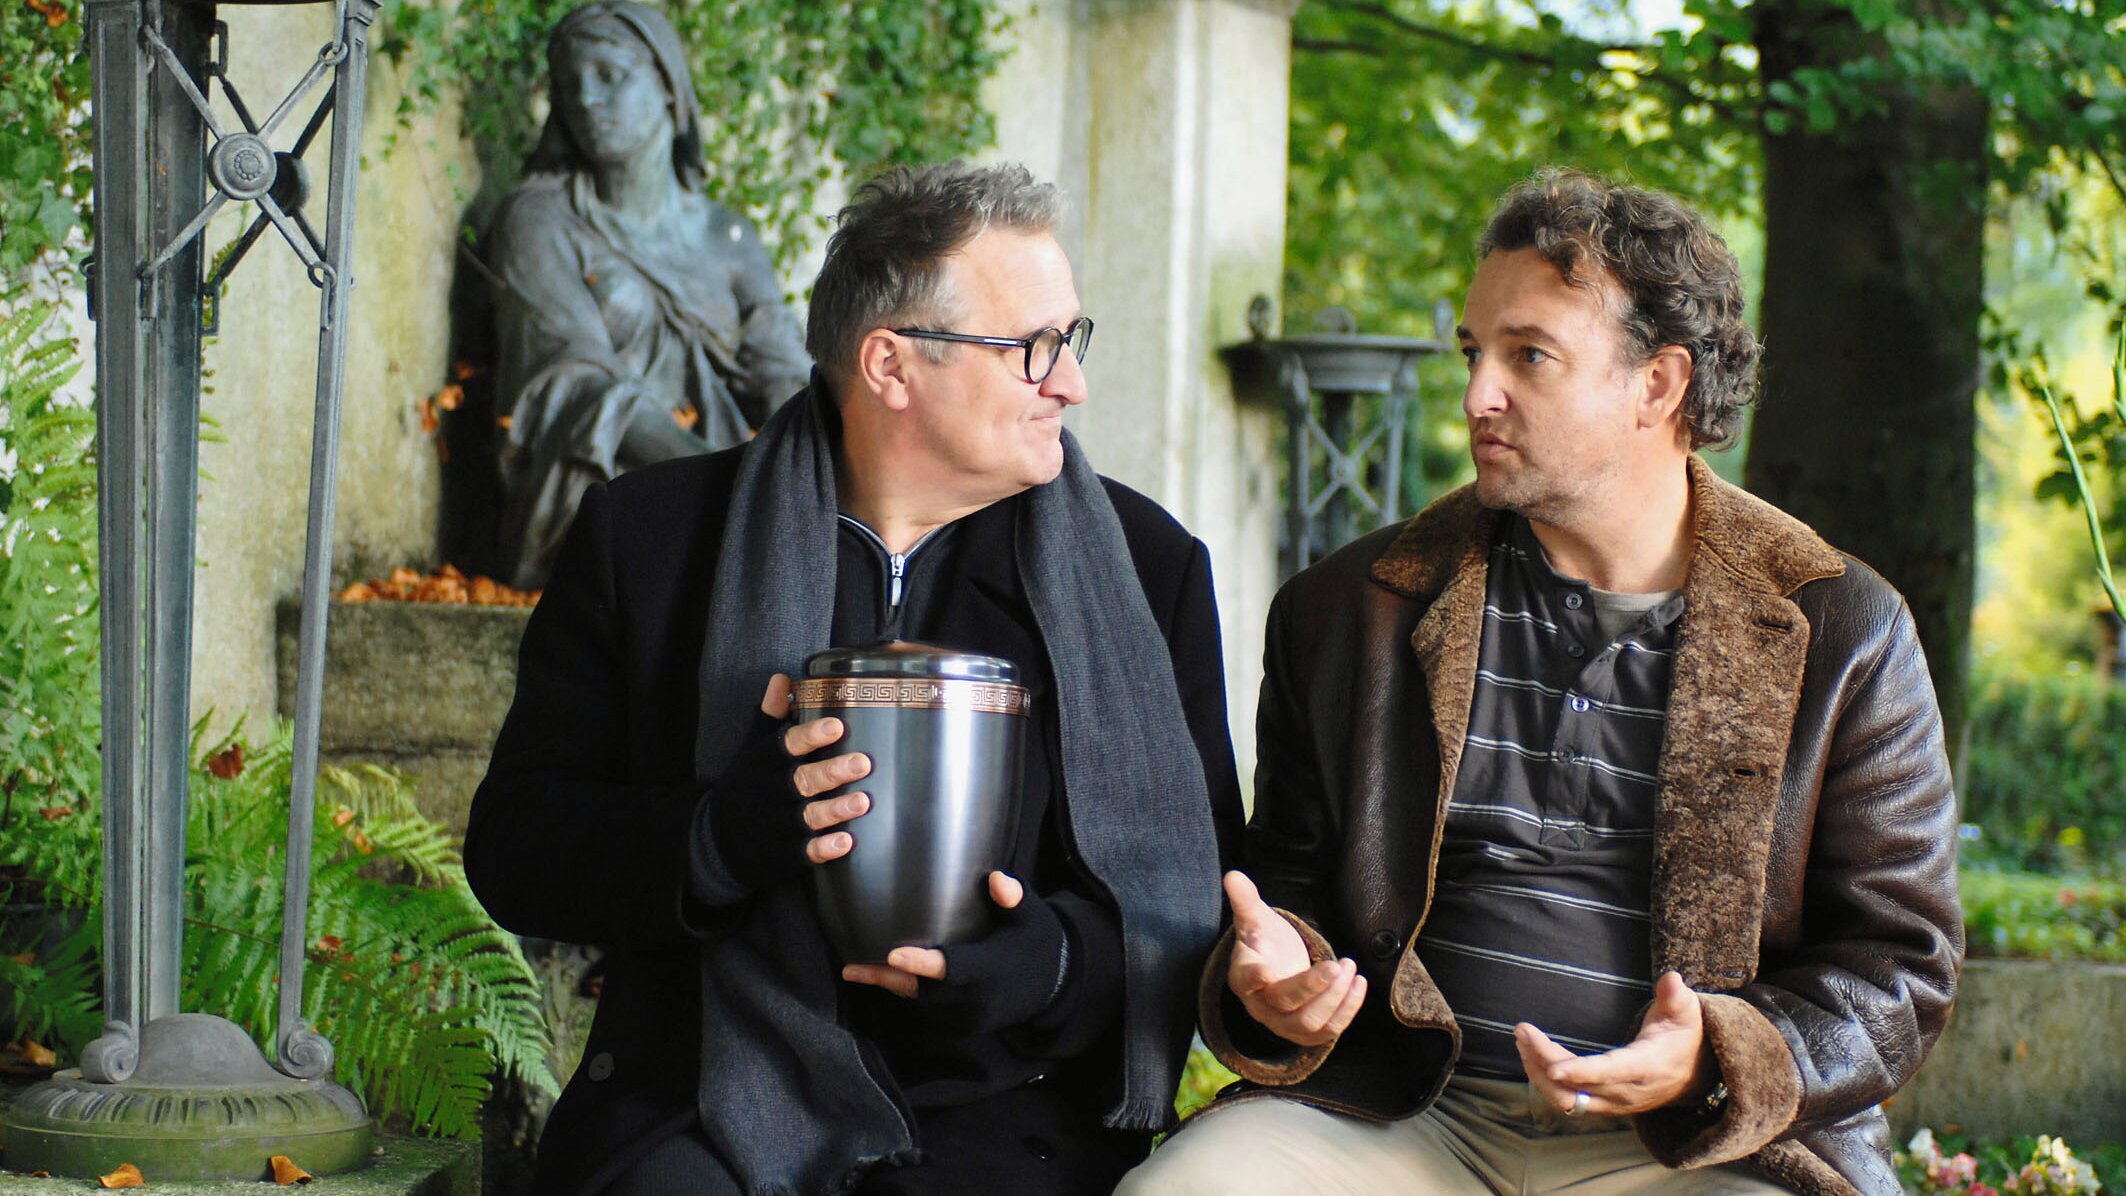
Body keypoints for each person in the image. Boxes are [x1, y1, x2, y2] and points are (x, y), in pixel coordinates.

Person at [1120, 169, 1962, 1196]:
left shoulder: (1841, 628)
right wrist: (1279, 977)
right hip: (1400, 1115)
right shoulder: (1348, 609)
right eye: (1473, 351)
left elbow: (1898, 963)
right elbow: (1289, 889)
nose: (1477, 393)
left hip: (1694, 1146)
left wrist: (1716, 1056)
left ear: (1658, 384)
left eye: (1529, 355)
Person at [466, 161, 1242, 1196]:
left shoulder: (1148, 571)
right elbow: (516, 850)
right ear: (890, 364)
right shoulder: (649, 540)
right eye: (1033, 348)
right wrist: (713, 838)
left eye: (1073, 340)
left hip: (1011, 1115)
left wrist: (1052, 965)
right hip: (701, 1098)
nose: (1071, 384)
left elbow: (1200, 893)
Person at [482, 1, 812, 589]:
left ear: (666, 85)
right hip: (605, 494)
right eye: (568, 85)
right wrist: (724, 484)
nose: (586, 99)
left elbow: (783, 367)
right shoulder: (539, 220)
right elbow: (571, 382)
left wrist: (803, 473)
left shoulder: (729, 236)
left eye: (609, 75)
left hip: (737, 503)